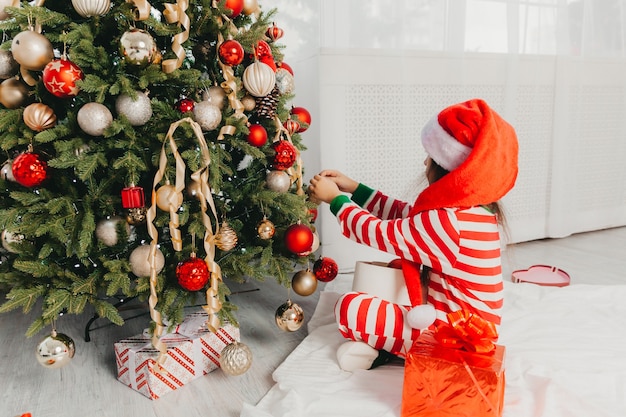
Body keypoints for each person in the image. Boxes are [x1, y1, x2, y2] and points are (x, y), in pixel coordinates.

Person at [308, 98, 518, 371]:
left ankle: (389, 349)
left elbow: (378, 232)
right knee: (393, 279)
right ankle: (386, 345)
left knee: (349, 307)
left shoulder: (448, 223)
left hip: (454, 339)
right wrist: (354, 188)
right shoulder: (473, 213)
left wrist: (335, 200)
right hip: (465, 327)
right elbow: (406, 216)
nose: (424, 161)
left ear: (445, 168)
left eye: (430, 157)